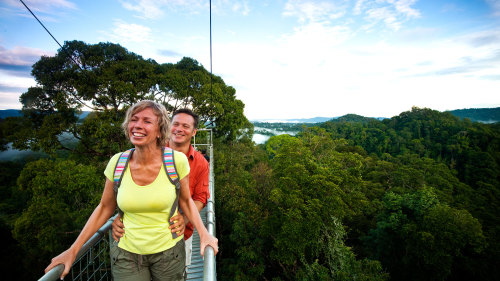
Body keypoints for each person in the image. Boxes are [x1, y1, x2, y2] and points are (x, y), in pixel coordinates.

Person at [44, 100, 218, 281]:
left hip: (168, 251)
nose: (137, 126)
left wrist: (204, 234)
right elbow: (104, 207)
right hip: (126, 253)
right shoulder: (117, 163)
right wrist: (73, 251)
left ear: (160, 131)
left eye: (147, 121)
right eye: (133, 120)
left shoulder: (177, 161)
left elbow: (188, 200)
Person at [112, 108, 210, 268]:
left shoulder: (200, 163)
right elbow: (131, 187)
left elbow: (200, 197)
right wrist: (122, 215)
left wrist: (184, 221)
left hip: (179, 235)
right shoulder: (150, 150)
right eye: (175, 124)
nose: (179, 129)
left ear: (194, 132)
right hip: (138, 238)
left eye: (185, 126)